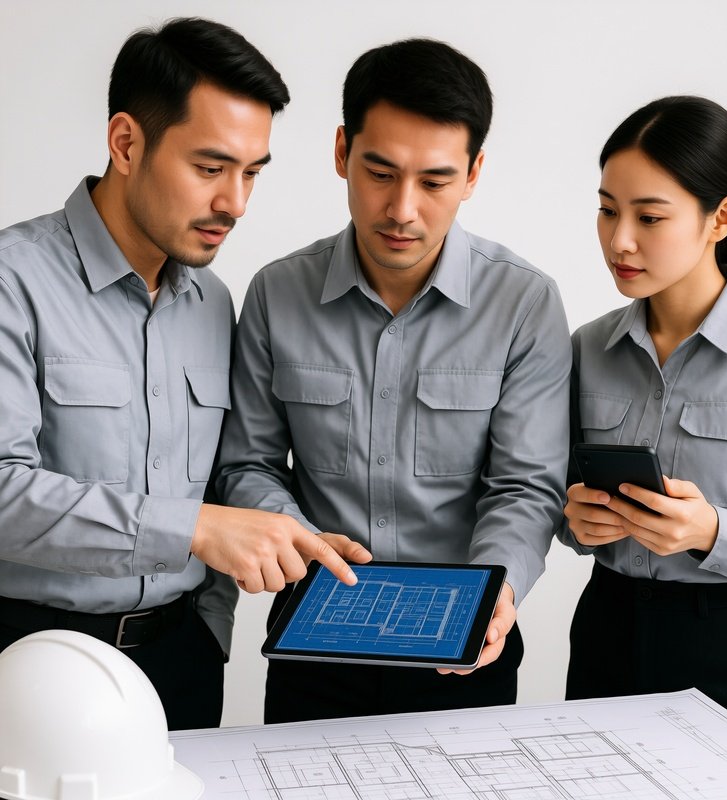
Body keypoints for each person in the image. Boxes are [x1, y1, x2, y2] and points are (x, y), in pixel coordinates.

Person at [0, 17, 367, 731]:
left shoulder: (213, 303)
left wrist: (286, 541)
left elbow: (227, 477)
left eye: (252, 172)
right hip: (31, 666)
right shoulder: (13, 282)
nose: (236, 203)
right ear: (126, 143)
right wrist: (192, 528)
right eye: (210, 168)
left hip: (182, 665)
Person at [215, 37, 572, 723]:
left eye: (435, 182)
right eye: (380, 173)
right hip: (316, 634)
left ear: (473, 174)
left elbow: (526, 485)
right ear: (342, 152)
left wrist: (495, 591)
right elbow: (247, 464)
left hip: (464, 641)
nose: (402, 209)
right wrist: (303, 542)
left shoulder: (524, 303)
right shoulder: (277, 294)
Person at [560, 95, 727, 750]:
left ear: (721, 218)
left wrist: (712, 531)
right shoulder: (586, 348)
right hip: (607, 630)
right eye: (607, 210)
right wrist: (574, 520)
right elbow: (553, 498)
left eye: (649, 217)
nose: (619, 239)